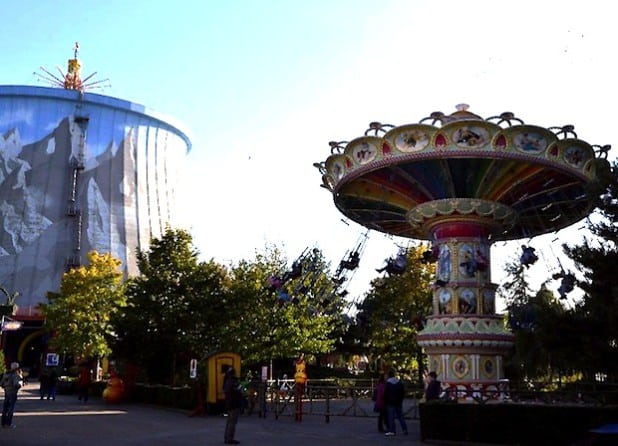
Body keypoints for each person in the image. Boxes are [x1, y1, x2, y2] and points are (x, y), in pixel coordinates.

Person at [383, 369, 408, 436]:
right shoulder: (399, 382)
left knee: (391, 417)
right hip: (398, 402)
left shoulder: (388, 383)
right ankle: (404, 429)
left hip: (390, 402)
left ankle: (392, 430)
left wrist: (386, 400)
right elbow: (403, 392)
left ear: (388, 376)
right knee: (400, 416)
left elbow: (385, 393)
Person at [223, 367, 242, 445]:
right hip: (234, 403)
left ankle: (226, 437)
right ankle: (230, 438)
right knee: (232, 422)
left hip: (228, 403)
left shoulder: (226, 381)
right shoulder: (234, 381)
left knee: (229, 421)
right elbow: (238, 390)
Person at [1, 362, 22, 428]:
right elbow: (16, 384)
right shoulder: (15, 374)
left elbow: (2, 383)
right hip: (13, 392)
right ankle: (8, 424)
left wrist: (6, 387)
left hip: (6, 392)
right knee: (11, 408)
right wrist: (20, 385)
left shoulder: (6, 374)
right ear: (16, 368)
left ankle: (3, 423)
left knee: (5, 408)